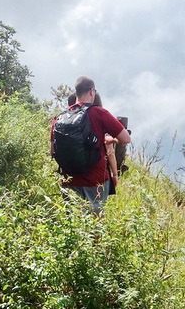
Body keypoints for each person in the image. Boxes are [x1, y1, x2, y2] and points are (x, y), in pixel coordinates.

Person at [54, 76, 130, 212]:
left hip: (68, 180)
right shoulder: (99, 113)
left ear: (76, 92)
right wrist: (113, 140)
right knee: (94, 222)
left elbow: (52, 150)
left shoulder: (59, 117)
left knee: (71, 221)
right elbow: (125, 139)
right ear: (91, 91)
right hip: (95, 182)